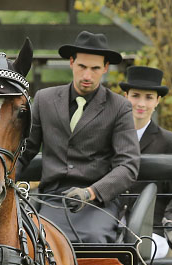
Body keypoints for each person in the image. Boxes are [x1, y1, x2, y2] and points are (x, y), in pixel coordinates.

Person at [16, 31, 139, 243]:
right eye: (82, 66)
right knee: (33, 239)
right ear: (71, 63)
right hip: (52, 199)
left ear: (106, 68)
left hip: (97, 203)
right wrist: (0, 178)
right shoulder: (45, 100)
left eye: (95, 68)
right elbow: (24, 151)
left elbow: (127, 166)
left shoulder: (119, 107)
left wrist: (91, 192)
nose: (87, 76)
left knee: (93, 239)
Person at [120, 65, 172, 257]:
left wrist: (170, 222)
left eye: (149, 97)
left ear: (157, 101)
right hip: (111, 225)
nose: (141, 103)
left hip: (152, 230)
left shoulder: (167, 141)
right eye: (135, 95)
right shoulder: (111, 137)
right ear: (126, 97)